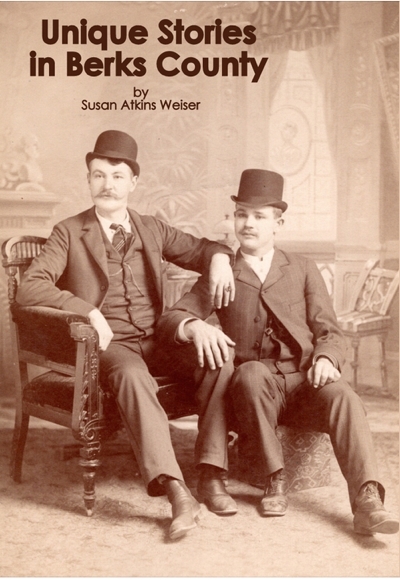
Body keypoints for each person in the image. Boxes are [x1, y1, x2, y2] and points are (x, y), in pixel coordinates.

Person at [16, 129, 238, 540]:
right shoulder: (70, 231)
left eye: (118, 176)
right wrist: (87, 311)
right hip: (110, 346)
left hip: (158, 339)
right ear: (88, 180)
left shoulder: (150, 227)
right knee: (132, 375)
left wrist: (221, 259)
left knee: (218, 362)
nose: (108, 185)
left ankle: (211, 474)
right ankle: (177, 492)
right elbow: (30, 287)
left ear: (133, 182)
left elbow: (203, 249)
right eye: (99, 175)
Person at [157, 168, 399, 536]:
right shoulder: (223, 271)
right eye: (242, 215)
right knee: (251, 373)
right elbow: (172, 318)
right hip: (253, 393)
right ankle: (274, 479)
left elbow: (329, 330)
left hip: (304, 380)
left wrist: (325, 358)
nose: (248, 224)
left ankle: (367, 500)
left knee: (345, 398)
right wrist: (195, 326)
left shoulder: (302, 268)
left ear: (278, 223)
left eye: (259, 216)